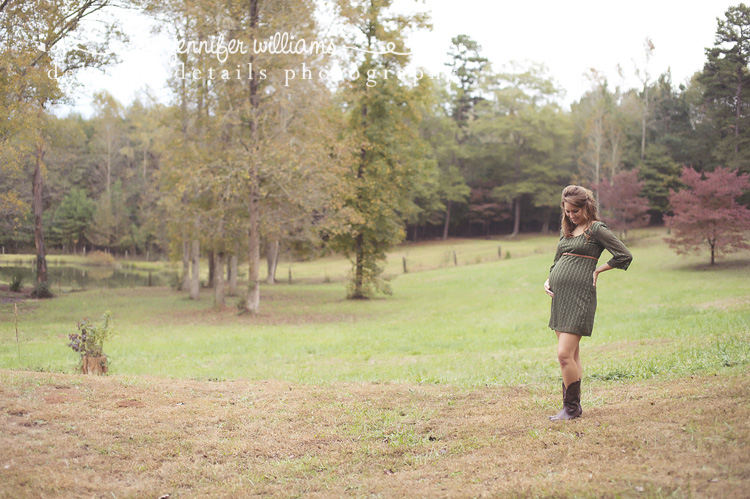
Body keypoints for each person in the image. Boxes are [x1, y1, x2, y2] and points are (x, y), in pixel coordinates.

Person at [544, 185, 632, 421]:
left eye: (575, 211)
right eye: (567, 211)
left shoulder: (596, 229)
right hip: (560, 298)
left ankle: (571, 408)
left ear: (586, 206)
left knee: (564, 355)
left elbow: (624, 255)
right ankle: (572, 407)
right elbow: (557, 261)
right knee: (572, 356)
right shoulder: (567, 230)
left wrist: (598, 270)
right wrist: (549, 279)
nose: (571, 215)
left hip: (580, 297)